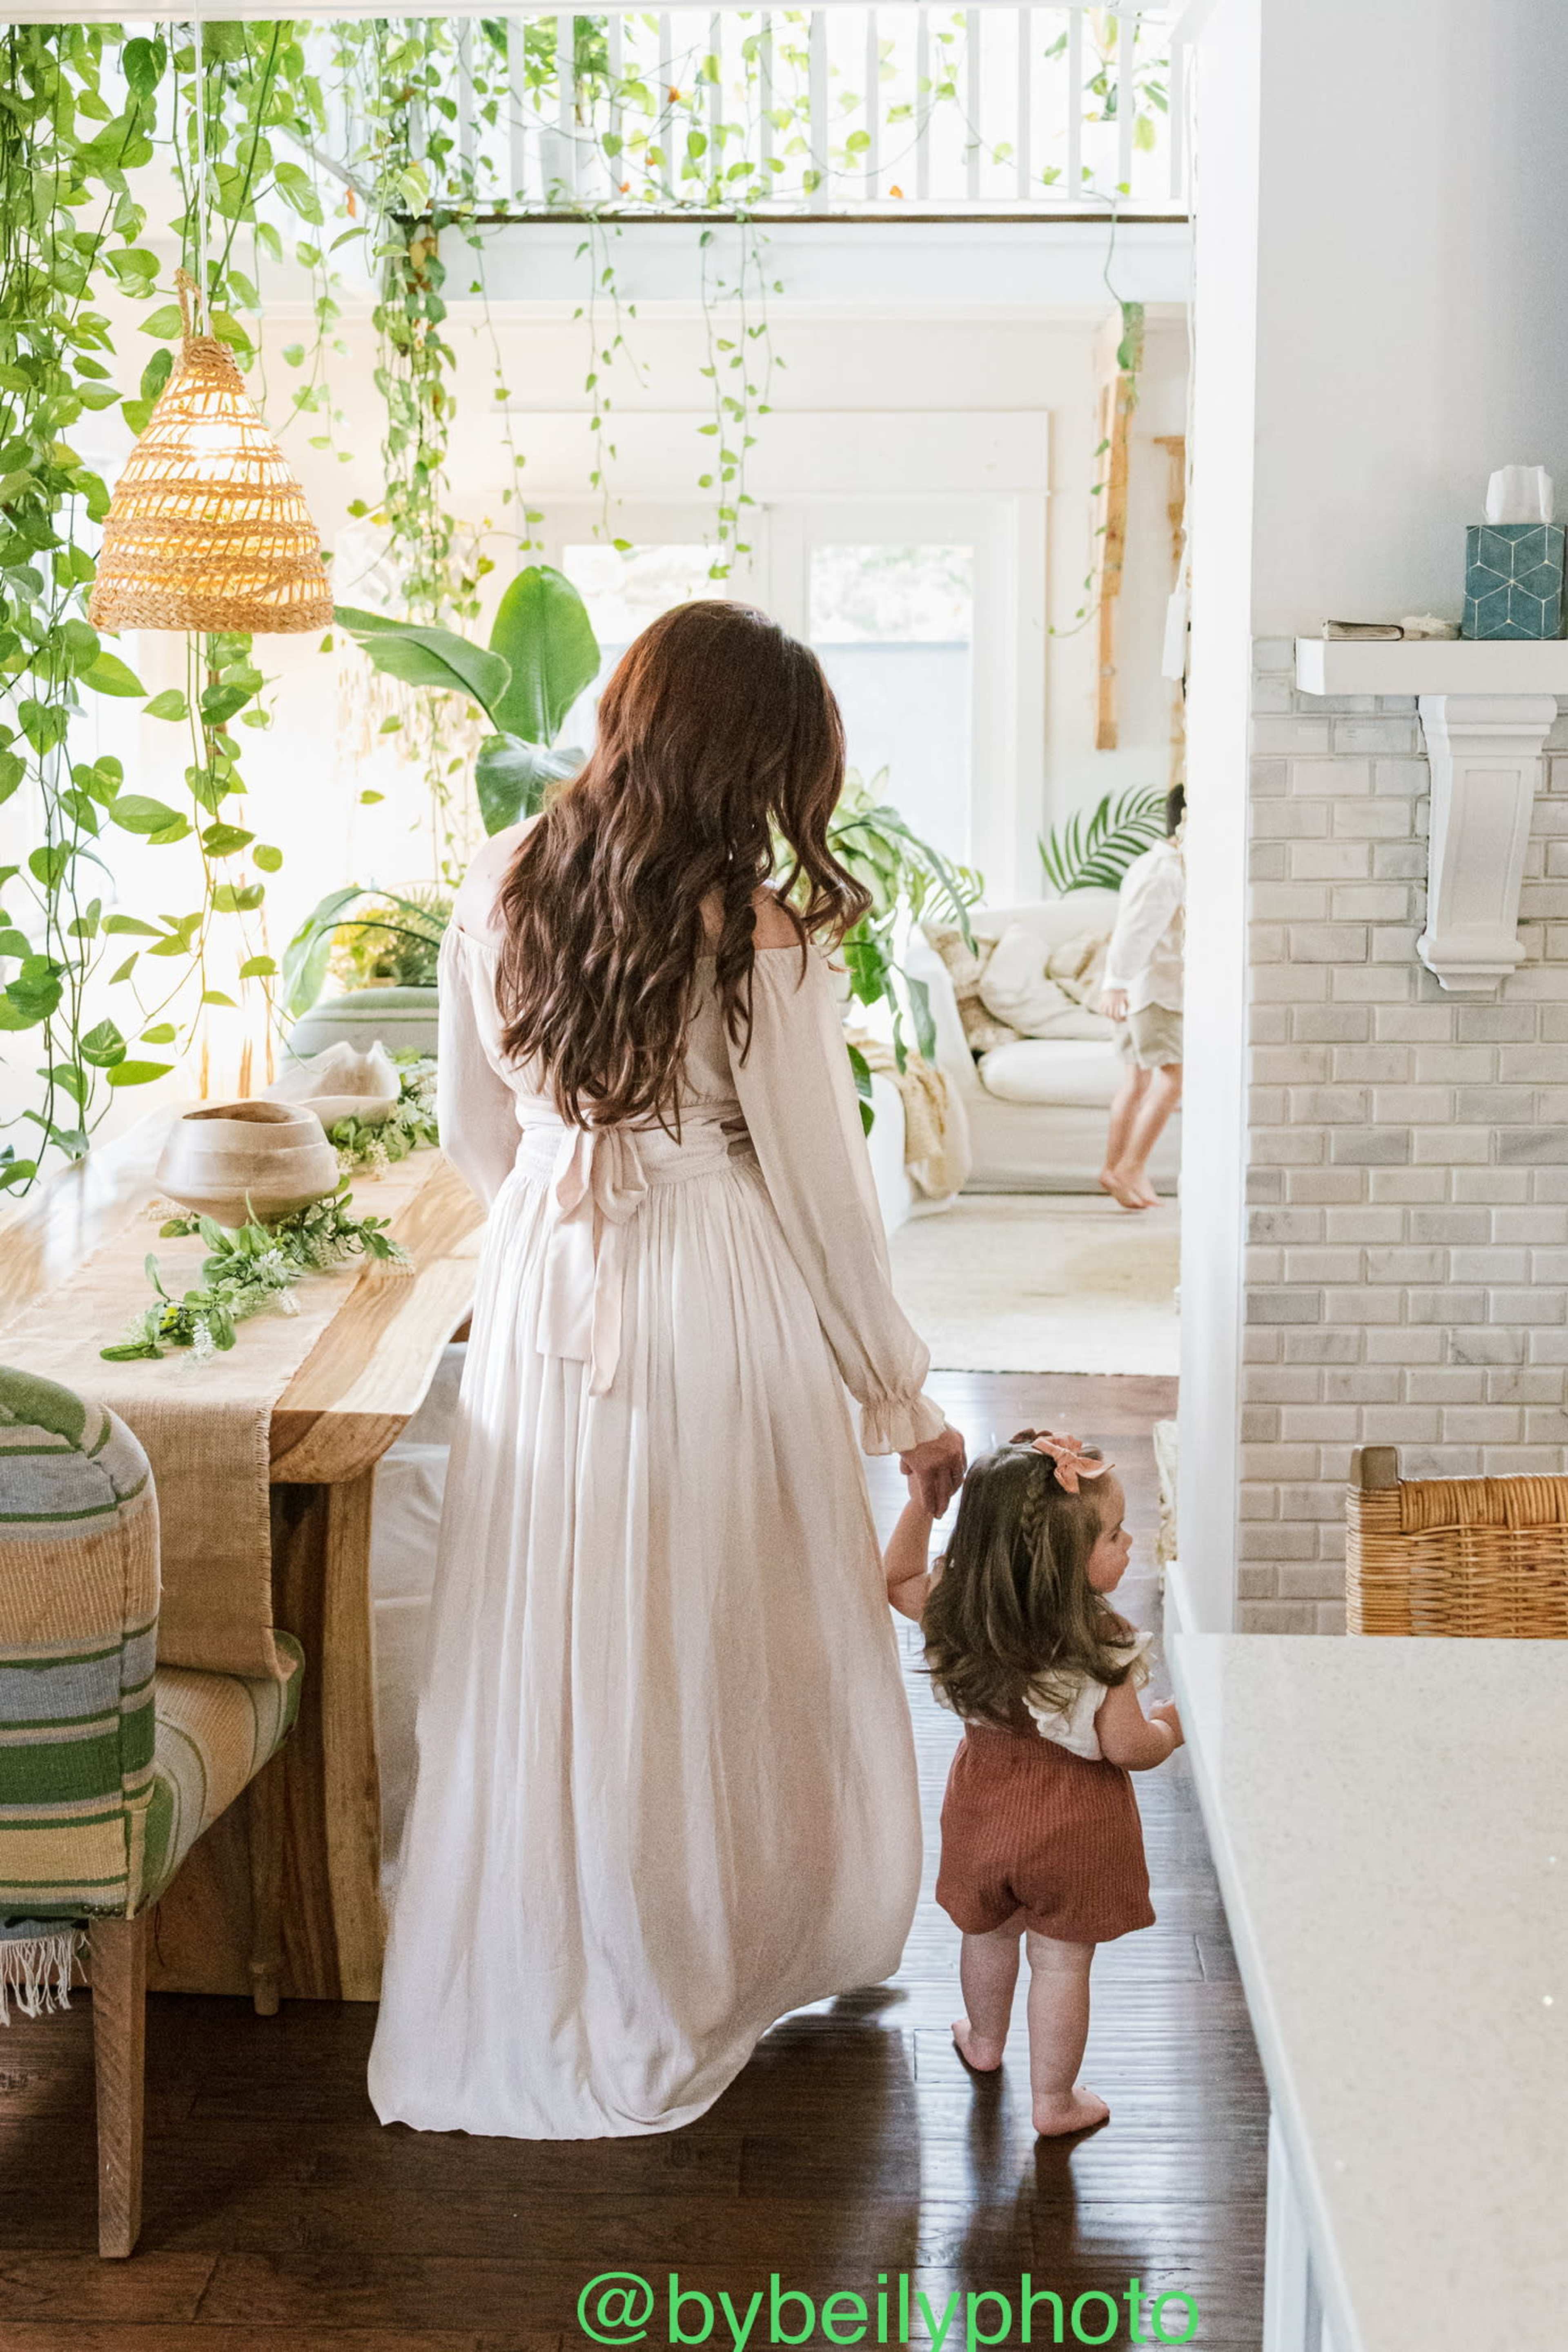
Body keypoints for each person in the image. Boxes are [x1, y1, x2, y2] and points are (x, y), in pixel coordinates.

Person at [368, 601, 966, 2139]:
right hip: (714, 1283)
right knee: (724, 1623)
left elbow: (472, 1129)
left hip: (548, 1287)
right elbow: (828, 1196)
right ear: (739, 754)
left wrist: (560, 1216)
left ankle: (574, 1935)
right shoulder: (750, 926)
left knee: (562, 1625)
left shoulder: (498, 879)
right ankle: (715, 1940)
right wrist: (900, 1394)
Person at [884, 1428, 1181, 2137]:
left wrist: (923, 1505)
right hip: (1076, 1823)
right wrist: (1173, 1726)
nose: (1129, 1542)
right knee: (1061, 1961)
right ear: (1062, 1563)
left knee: (986, 1932)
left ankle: (983, 2041)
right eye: (1113, 1534)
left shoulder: (959, 1607)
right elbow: (1126, 1745)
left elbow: (894, 1577)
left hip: (983, 1804)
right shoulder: (1102, 1643)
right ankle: (1054, 2100)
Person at [1098, 783, 1185, 1211]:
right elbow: (1135, 931)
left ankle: (1117, 1167)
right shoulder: (1166, 872)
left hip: (1140, 989)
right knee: (1174, 1080)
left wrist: (1118, 982)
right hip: (1156, 993)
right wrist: (1115, 980)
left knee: (1137, 1082)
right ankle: (1132, 1164)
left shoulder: (1154, 863)